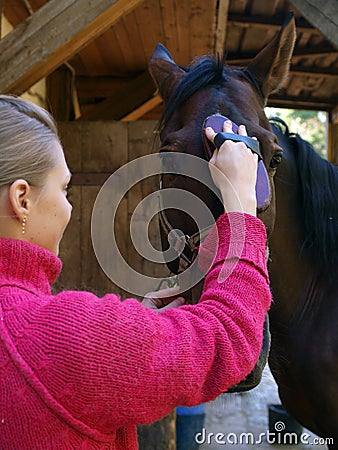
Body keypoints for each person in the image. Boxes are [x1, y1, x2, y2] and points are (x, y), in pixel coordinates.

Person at [0, 94, 271, 450]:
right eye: (65, 188)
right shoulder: (51, 337)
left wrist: (135, 330)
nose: (69, 205)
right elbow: (225, 336)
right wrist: (241, 207)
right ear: (22, 199)